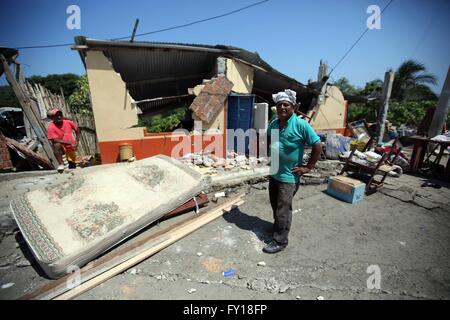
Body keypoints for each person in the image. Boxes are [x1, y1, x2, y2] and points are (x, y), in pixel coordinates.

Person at [264, 89, 322, 254]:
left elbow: (317, 145)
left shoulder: (301, 125)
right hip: (274, 171)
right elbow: (270, 139)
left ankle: (280, 240)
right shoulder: (275, 123)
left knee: (284, 208)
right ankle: (278, 228)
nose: (282, 107)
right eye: (279, 104)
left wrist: (308, 167)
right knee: (275, 204)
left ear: (294, 107)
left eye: (286, 104)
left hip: (289, 176)